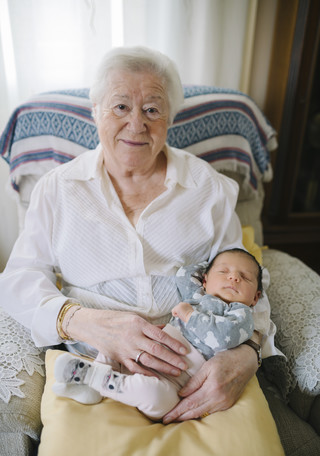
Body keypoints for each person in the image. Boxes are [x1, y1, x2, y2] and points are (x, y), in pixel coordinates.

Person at [0, 46, 277, 425]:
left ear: (170, 118)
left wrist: (248, 353)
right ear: (95, 110)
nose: (136, 124)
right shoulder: (57, 189)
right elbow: (18, 280)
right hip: (90, 363)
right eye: (120, 107)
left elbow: (244, 277)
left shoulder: (208, 189)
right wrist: (82, 321)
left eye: (151, 109)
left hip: (195, 362)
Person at [53, 248, 263, 420]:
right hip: (147, 348)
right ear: (205, 281)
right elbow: (183, 274)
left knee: (156, 400)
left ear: (255, 297)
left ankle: (98, 378)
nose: (234, 277)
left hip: (177, 380)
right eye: (224, 271)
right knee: (115, 344)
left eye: (244, 277)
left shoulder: (241, 314)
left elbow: (223, 337)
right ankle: (94, 379)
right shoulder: (197, 295)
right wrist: (208, 268)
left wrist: (190, 316)